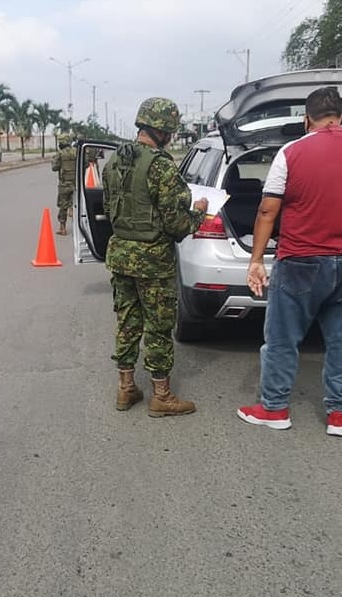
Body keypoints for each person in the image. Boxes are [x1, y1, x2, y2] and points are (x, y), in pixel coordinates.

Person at [236, 86, 342, 437]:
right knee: (340, 340)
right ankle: (340, 414)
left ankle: (274, 408)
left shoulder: (290, 152)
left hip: (300, 261)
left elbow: (267, 209)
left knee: (281, 338)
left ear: (307, 119)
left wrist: (256, 260)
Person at [101, 97, 208, 417]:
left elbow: (108, 209)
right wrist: (199, 214)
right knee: (158, 327)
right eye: (170, 131)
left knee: (127, 322)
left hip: (121, 255)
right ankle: (161, 395)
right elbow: (177, 225)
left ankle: (126, 389)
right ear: (161, 130)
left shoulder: (114, 162)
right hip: (153, 261)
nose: (172, 137)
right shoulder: (161, 166)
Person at [51, 134, 77, 236]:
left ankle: (63, 228)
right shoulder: (77, 152)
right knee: (77, 205)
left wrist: (53, 161)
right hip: (76, 183)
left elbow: (54, 168)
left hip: (64, 184)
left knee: (63, 205)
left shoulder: (60, 154)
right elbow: (86, 164)